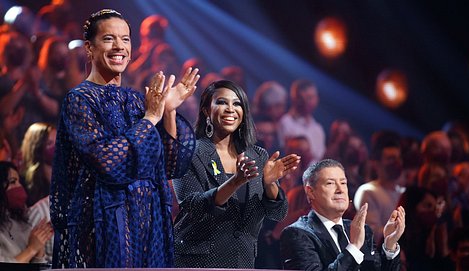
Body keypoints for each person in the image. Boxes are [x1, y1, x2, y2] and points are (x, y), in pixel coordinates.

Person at [50, 9, 199, 268]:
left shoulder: (136, 100)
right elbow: (106, 161)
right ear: (89, 47)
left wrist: (169, 112)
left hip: (149, 220)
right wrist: (152, 117)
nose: (120, 46)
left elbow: (171, 165)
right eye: (109, 39)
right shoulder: (80, 100)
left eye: (126, 39)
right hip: (105, 221)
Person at [173, 79, 300, 268]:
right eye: (222, 102)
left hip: (243, 260)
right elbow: (194, 206)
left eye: (237, 103)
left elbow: (278, 213)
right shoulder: (189, 152)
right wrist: (236, 181)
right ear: (207, 110)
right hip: (197, 261)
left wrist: (270, 183)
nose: (230, 109)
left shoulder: (258, 155)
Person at [280, 159, 405, 271]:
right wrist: (354, 247)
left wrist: (389, 245)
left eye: (343, 183)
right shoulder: (297, 234)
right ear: (311, 192)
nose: (340, 190)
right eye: (330, 183)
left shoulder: (362, 230)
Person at [0, 161, 53, 263]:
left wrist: (39, 248)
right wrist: (31, 249)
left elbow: (36, 265)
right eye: (12, 182)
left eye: (19, 182)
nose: (19, 187)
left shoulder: (19, 223)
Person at [20, 122, 56, 206]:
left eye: (57, 141)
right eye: (49, 143)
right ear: (37, 147)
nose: (56, 146)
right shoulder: (26, 183)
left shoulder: (68, 174)